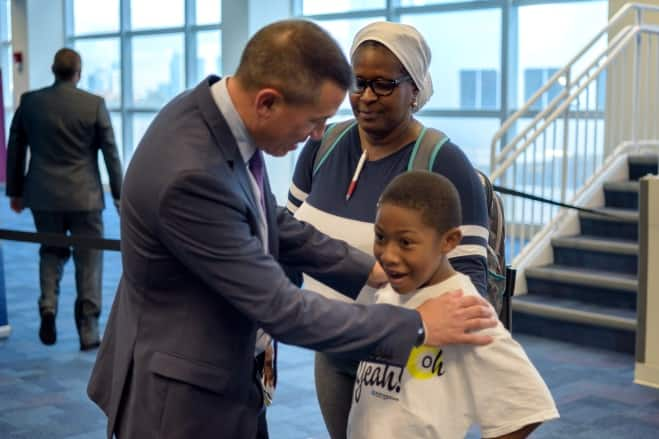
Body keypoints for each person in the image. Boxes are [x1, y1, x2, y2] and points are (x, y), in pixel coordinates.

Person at [86, 19, 498, 439]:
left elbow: (273, 221)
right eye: (313, 121)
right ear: (268, 102)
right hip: (182, 400)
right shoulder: (192, 176)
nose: (318, 134)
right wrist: (418, 324)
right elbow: (282, 309)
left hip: (222, 375)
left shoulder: (214, 117)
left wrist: (365, 269)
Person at [286, 21, 489, 439]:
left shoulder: (442, 161)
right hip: (332, 346)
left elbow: (472, 282)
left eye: (384, 84)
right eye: (359, 82)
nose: (366, 97)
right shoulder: (324, 144)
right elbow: (287, 237)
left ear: (414, 90)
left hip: (404, 359)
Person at [347, 171, 559, 439]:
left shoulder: (466, 310)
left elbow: (529, 403)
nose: (388, 255)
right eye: (380, 237)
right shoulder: (390, 288)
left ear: (449, 241)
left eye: (405, 242)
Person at [5, 48, 122, 351]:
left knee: (50, 251)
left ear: (53, 69)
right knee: (89, 259)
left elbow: (15, 148)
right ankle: (89, 329)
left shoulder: (30, 103)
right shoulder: (93, 105)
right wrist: (120, 197)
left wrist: (15, 191)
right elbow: (111, 152)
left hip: (43, 195)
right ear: (78, 72)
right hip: (85, 197)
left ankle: (48, 306)